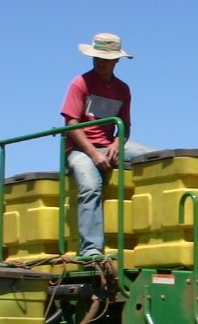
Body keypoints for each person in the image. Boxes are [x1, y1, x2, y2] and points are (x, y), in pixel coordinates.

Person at [61, 32, 142, 258]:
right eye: (97, 58)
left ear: (116, 61)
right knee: (89, 186)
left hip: (109, 145)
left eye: (106, 59)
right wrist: (94, 154)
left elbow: (124, 125)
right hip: (80, 149)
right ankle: (91, 251)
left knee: (156, 160)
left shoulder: (123, 89)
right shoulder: (80, 83)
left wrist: (117, 143)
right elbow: (71, 124)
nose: (100, 63)